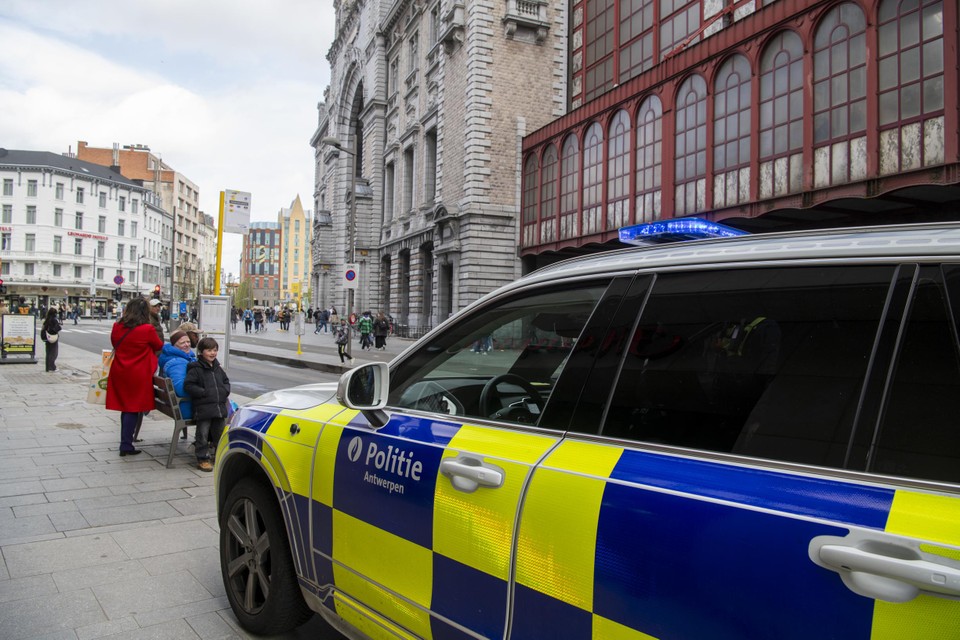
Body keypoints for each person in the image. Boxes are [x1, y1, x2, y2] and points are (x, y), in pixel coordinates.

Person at [106, 297, 163, 457]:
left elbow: (114, 343)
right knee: (132, 408)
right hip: (138, 374)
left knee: (126, 407)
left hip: (119, 371)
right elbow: (158, 346)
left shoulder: (117, 326)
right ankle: (125, 444)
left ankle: (126, 441)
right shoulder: (147, 329)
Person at [184, 337, 231, 472]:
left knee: (220, 433)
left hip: (218, 407)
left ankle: (220, 455)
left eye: (215, 350)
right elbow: (189, 385)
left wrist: (224, 391)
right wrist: (204, 393)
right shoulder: (196, 368)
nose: (212, 353)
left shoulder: (217, 368)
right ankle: (203, 458)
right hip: (204, 408)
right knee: (202, 434)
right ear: (201, 352)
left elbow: (226, 381)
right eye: (209, 350)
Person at [158, 330, 196, 420]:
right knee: (225, 411)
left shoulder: (180, 357)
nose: (187, 345)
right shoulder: (177, 363)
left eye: (188, 341)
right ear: (174, 345)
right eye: (182, 343)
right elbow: (181, 389)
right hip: (186, 407)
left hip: (180, 405)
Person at [41, 307, 62, 371]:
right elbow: (58, 328)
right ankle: (52, 367)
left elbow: (44, 328)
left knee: (48, 352)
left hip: (47, 337)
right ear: (55, 313)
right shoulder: (54, 319)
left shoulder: (47, 319)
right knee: (54, 353)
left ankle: (47, 367)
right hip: (53, 338)